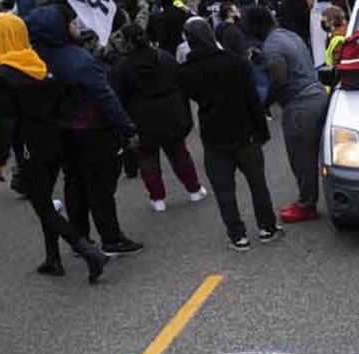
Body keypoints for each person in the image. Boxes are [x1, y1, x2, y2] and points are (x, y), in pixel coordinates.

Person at [0, 12, 109, 281]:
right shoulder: (37, 63)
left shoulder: (2, 75)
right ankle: (53, 258)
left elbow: (3, 122)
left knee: (42, 204)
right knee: (45, 199)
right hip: (55, 137)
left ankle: (87, 251)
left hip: (30, 146)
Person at [28, 3, 144, 256]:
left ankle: (81, 239)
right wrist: (127, 128)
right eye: (72, 23)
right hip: (93, 130)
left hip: (60, 133)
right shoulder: (80, 61)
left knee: (74, 186)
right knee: (101, 189)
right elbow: (106, 98)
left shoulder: (35, 59)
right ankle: (111, 238)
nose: (77, 26)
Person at [176, 17, 280, 250]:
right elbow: (252, 100)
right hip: (245, 132)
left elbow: (186, 101)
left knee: (224, 190)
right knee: (257, 183)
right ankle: (267, 227)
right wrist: (262, 131)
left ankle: (237, 235)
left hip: (214, 136)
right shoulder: (235, 63)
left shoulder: (186, 72)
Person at [243, 6, 327, 224]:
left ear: (257, 26)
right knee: (313, 154)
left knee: (301, 158)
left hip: (300, 104)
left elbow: (279, 79)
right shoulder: (288, 34)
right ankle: (309, 200)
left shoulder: (272, 46)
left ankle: (306, 205)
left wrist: (264, 104)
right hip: (316, 95)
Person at [111, 23, 207, 213]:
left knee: (148, 159)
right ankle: (194, 190)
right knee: (179, 153)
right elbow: (180, 82)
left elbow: (117, 96)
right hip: (170, 114)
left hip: (140, 119)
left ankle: (158, 199)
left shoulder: (122, 66)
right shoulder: (164, 57)